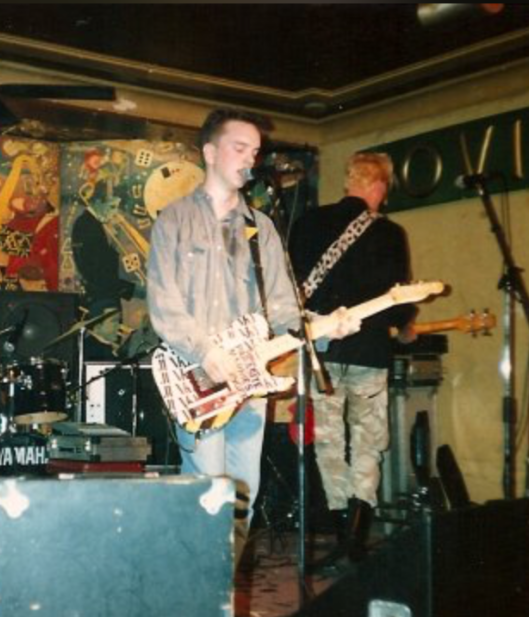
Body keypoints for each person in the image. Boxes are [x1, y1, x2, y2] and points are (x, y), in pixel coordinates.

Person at [145, 108, 359, 574]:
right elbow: (164, 304)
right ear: (210, 152)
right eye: (239, 148)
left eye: (255, 151)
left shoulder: (261, 227)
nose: (250, 159)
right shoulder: (175, 221)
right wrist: (206, 351)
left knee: (244, 491)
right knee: (206, 488)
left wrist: (325, 325)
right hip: (200, 377)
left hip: (251, 381)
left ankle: (222, 584)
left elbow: (282, 307)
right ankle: (195, 586)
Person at [288, 151, 415, 570]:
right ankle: (357, 540)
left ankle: (342, 532)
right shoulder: (389, 233)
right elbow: (398, 300)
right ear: (377, 187)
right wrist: (405, 325)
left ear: (349, 183)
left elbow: (290, 288)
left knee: (328, 443)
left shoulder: (308, 223)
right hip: (368, 353)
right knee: (368, 442)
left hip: (321, 353)